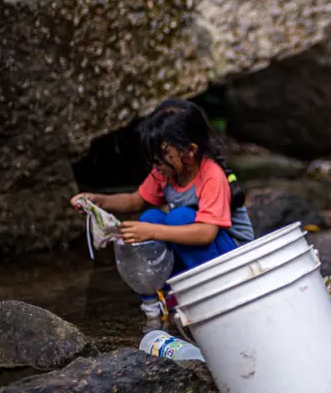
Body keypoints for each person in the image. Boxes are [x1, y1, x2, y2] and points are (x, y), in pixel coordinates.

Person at [71, 99, 255, 276]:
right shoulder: (165, 172)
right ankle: (167, 293)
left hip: (235, 258)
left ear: (190, 151)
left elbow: (207, 233)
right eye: (154, 158)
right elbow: (134, 202)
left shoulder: (212, 176)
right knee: (150, 217)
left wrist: (150, 232)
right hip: (200, 251)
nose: (156, 165)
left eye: (164, 155)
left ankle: (211, 284)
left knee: (178, 217)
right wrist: (98, 201)